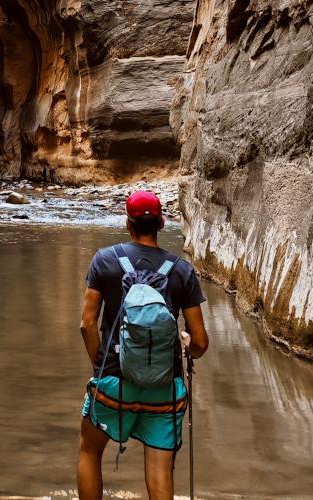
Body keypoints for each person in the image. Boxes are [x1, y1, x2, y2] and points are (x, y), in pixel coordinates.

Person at [77, 191, 209, 500]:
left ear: (128, 223)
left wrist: (101, 364)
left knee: (90, 452)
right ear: (162, 223)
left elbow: (86, 324)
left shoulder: (105, 260)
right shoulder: (182, 271)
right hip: (164, 387)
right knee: (160, 470)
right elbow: (200, 342)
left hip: (113, 382)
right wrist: (188, 345)